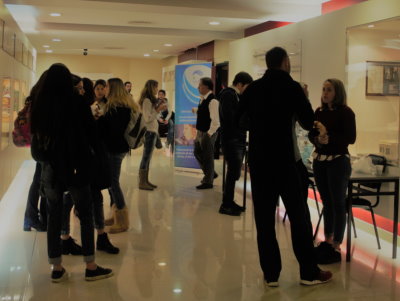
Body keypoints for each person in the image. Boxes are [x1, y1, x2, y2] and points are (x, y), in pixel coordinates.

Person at [238, 47, 332, 286]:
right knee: (299, 217)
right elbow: (307, 120)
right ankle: (308, 272)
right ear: (284, 62)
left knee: (264, 220)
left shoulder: (253, 89)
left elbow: (240, 120)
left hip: (260, 162)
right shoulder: (292, 88)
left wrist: (259, 126)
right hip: (285, 162)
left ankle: (271, 275)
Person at [30, 63, 113, 282]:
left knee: (54, 216)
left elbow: (36, 140)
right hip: (77, 166)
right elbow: (90, 134)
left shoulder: (40, 105)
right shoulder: (77, 102)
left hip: (51, 167)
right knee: (85, 215)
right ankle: (91, 266)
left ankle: (56, 267)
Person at [309, 78, 356, 264]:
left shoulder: (346, 112)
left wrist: (330, 138)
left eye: (329, 89)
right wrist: (318, 140)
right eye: (323, 89)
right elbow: (312, 134)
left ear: (337, 92)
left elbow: (350, 138)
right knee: (327, 202)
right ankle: (327, 240)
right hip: (320, 162)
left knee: (338, 203)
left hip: (338, 162)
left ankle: (337, 243)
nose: (325, 93)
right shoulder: (319, 112)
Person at [99, 77, 138, 233]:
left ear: (113, 88)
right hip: (116, 147)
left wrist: (99, 121)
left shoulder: (117, 108)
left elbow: (112, 130)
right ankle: (116, 215)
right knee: (111, 182)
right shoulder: (119, 106)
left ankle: (122, 220)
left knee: (113, 182)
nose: (105, 89)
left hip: (115, 148)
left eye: (107, 86)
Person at [218, 71, 253, 216]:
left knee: (234, 172)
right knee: (233, 173)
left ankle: (229, 201)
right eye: (247, 87)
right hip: (232, 139)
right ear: (239, 84)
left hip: (235, 139)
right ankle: (226, 204)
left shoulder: (234, 95)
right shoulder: (228, 95)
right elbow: (231, 118)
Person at [23, 72, 48, 232]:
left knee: (38, 180)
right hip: (43, 144)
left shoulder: (35, 94)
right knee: (40, 180)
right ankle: (33, 217)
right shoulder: (44, 98)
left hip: (36, 144)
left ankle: (30, 219)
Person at [138, 80, 167, 190]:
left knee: (148, 158)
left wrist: (158, 109)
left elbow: (153, 116)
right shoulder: (146, 100)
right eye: (156, 87)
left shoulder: (150, 100)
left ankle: (145, 180)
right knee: (146, 157)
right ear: (151, 88)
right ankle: (142, 182)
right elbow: (148, 118)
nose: (157, 90)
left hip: (153, 132)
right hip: (149, 132)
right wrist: (157, 109)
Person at [193, 77, 220, 189]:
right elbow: (205, 114)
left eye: (200, 85)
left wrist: (209, 134)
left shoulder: (213, 101)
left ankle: (208, 181)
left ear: (206, 87)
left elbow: (216, 121)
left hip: (208, 133)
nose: (198, 87)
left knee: (208, 156)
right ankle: (211, 173)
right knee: (197, 152)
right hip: (200, 131)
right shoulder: (202, 99)